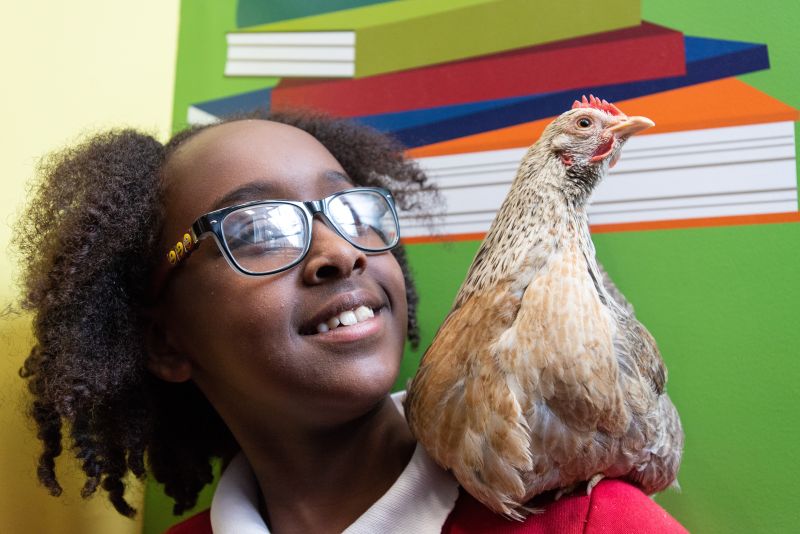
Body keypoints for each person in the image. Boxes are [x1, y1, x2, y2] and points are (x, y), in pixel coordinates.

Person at [15, 110, 687, 533]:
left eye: (353, 212)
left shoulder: (594, 521)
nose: (339, 252)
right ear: (166, 340)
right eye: (257, 229)